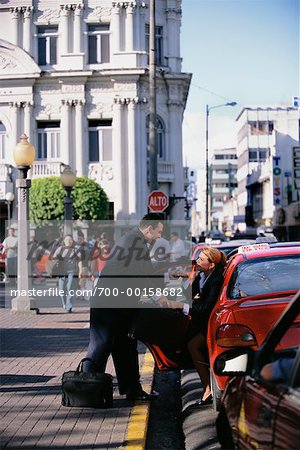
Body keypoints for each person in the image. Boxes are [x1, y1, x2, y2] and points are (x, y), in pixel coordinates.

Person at [84, 213, 169, 401]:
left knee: (125, 347)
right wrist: (159, 297)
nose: (159, 236)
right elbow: (143, 272)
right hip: (108, 305)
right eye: (158, 232)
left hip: (119, 304)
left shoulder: (133, 239)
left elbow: (144, 270)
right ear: (149, 228)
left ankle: (132, 390)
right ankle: (87, 389)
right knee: (101, 346)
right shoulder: (134, 241)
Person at [163, 247, 226, 406]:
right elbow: (187, 296)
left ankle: (208, 388)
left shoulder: (216, 280)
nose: (197, 261)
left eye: (201, 259)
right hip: (201, 323)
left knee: (193, 345)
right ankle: (208, 386)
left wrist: (181, 306)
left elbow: (206, 308)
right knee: (187, 342)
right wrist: (185, 279)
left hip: (213, 325)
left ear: (211, 265)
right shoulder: (201, 277)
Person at [53, 235, 83, 312]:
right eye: (67, 240)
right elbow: (53, 258)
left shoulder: (75, 250)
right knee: (61, 290)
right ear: (64, 241)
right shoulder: (60, 249)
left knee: (70, 288)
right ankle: (64, 303)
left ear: (72, 241)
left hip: (72, 271)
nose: (69, 241)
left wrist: (80, 271)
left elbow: (79, 261)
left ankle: (69, 306)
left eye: (70, 240)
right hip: (62, 272)